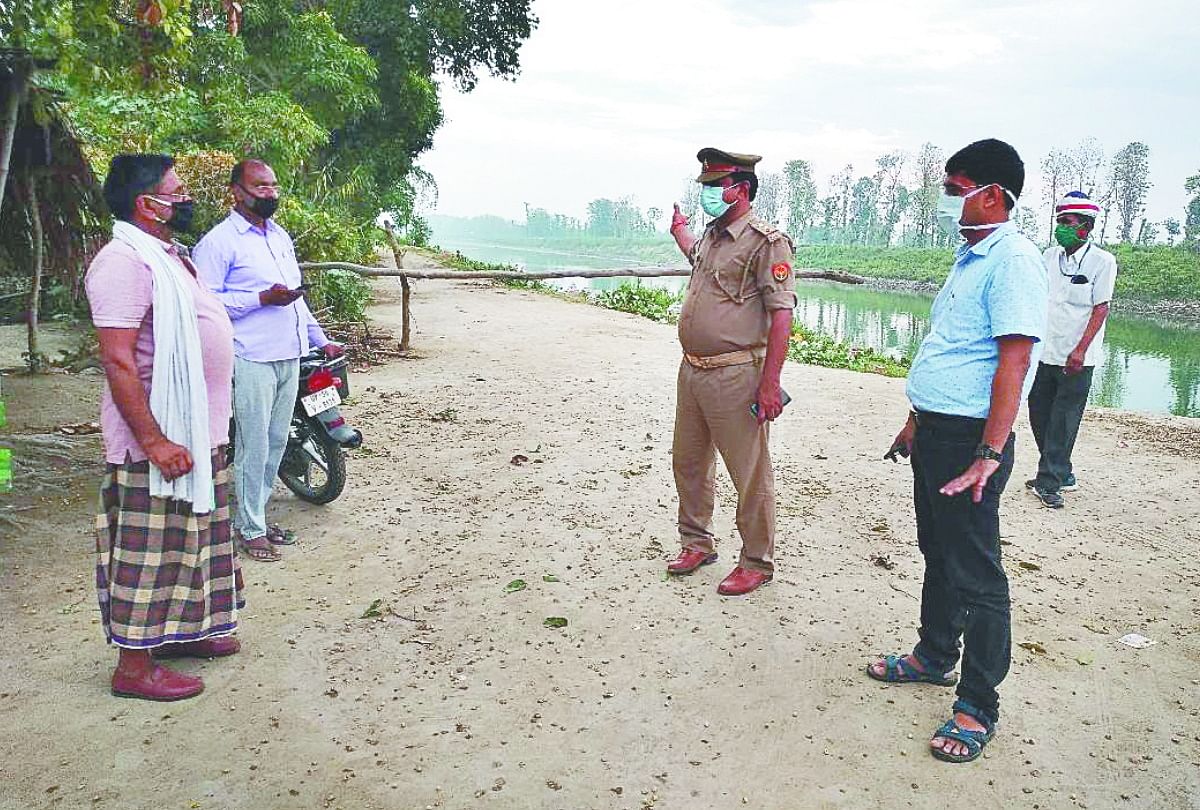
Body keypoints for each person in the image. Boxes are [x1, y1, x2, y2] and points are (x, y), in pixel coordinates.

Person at [868, 139, 1047, 762]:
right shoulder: (971, 256)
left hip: (974, 441)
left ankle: (976, 706)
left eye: (954, 189)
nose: (947, 201)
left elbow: (1014, 361)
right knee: (937, 549)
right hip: (938, 432)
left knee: (977, 572)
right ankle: (934, 654)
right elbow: (954, 349)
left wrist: (990, 453)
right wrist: (916, 417)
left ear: (992, 195)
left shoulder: (1015, 261)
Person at [86, 153, 243, 701]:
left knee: (189, 539)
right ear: (144, 203)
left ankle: (179, 634)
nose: (184, 199)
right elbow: (119, 362)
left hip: (198, 429)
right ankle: (133, 668)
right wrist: (153, 440)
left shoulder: (168, 256)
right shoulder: (123, 262)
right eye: (175, 191)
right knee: (147, 547)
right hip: (158, 437)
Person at [193, 159, 343, 562]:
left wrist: (320, 341)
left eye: (273, 186)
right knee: (253, 445)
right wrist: (260, 299)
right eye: (260, 186)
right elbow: (204, 305)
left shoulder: (279, 237)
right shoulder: (219, 243)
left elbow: (296, 301)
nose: (269, 193)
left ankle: (253, 517)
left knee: (277, 442)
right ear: (237, 191)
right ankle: (249, 529)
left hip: (288, 354)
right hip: (250, 355)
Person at [664, 147, 797, 596]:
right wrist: (680, 233)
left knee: (749, 473)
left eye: (715, 187)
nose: (708, 194)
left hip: (736, 375)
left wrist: (770, 384)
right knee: (688, 462)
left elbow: (782, 315)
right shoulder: (713, 237)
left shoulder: (766, 242)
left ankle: (757, 562)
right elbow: (701, 264)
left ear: (740, 188)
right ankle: (696, 541)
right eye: (705, 186)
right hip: (694, 373)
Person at [1025, 192, 1117, 508]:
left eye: (1068, 222)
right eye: (1059, 221)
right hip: (1044, 352)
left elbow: (1100, 309)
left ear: (1085, 227)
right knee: (1038, 413)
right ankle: (1061, 471)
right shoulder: (1049, 257)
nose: (1061, 227)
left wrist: (1079, 350)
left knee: (1064, 420)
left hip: (1078, 357)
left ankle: (1048, 483)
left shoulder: (1103, 262)